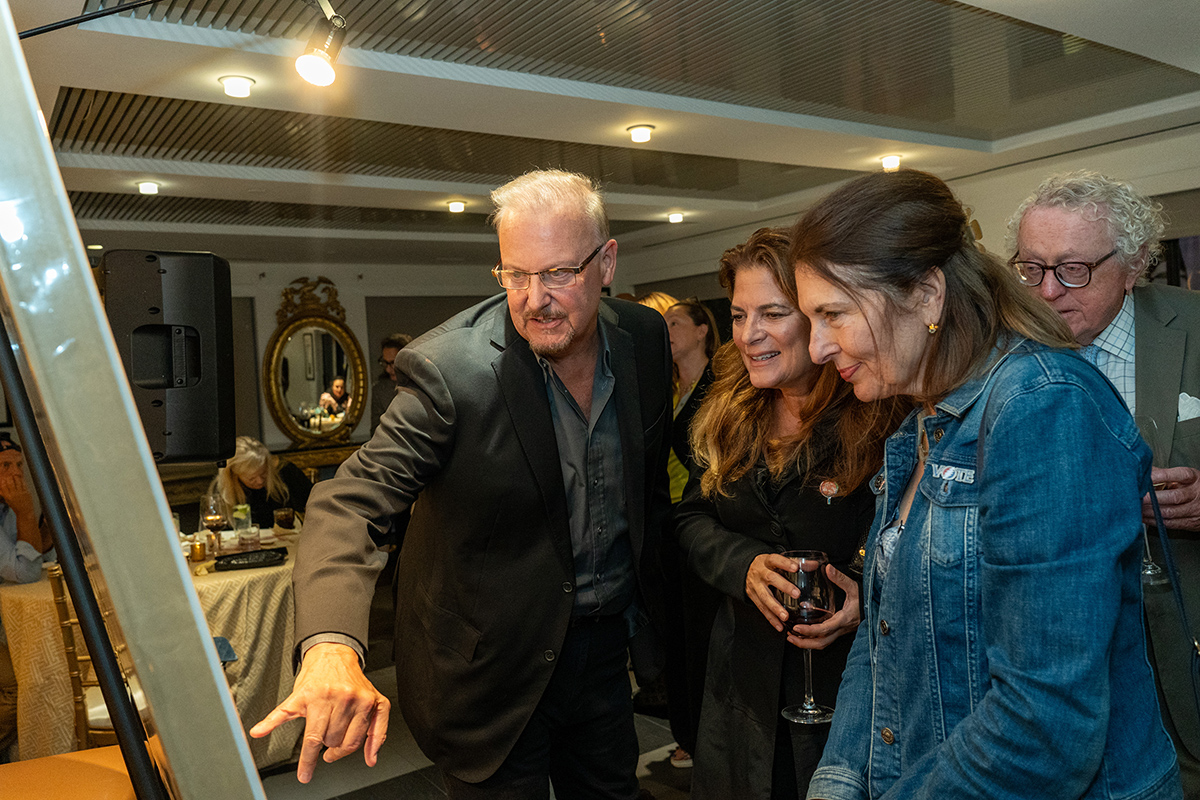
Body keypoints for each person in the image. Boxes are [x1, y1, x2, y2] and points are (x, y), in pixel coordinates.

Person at [251, 168, 673, 798]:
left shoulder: (643, 338)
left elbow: (649, 493)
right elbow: (351, 501)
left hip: (603, 654)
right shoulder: (452, 371)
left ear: (606, 262)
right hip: (491, 674)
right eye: (515, 275)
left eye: (558, 272)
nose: (535, 298)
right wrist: (332, 644)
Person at [794, 169, 1180, 800]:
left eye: (834, 313)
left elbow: (1044, 725)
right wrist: (836, 785)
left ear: (926, 295)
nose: (815, 347)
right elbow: (881, 639)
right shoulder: (921, 422)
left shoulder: (1043, 408)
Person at [674, 228, 902, 798]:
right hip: (743, 686)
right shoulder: (730, 410)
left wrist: (863, 596)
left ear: (818, 319)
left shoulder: (880, 412)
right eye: (738, 315)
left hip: (849, 681)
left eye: (772, 314)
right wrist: (743, 563)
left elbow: (906, 537)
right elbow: (690, 520)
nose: (750, 336)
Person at [1007, 170, 1200, 792]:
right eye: (1030, 269)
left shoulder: (1194, 326)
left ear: (1136, 261)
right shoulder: (1002, 355)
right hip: (1065, 659)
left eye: (1073, 270)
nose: (1048, 292)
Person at [0, 434, 55, 757]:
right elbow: (25, 573)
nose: (16, 473)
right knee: (19, 683)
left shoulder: (9, 508)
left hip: (11, 624)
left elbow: (45, 560)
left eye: (19, 464)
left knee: (43, 669)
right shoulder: (15, 508)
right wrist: (25, 512)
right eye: (5, 466)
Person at [208, 436, 312, 529]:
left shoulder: (286, 473)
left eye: (264, 474)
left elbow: (316, 503)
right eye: (252, 478)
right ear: (235, 475)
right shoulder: (222, 489)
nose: (260, 481)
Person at [370, 333, 413, 433]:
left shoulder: (421, 384)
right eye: (386, 363)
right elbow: (375, 430)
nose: (389, 369)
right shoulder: (380, 390)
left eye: (393, 363)